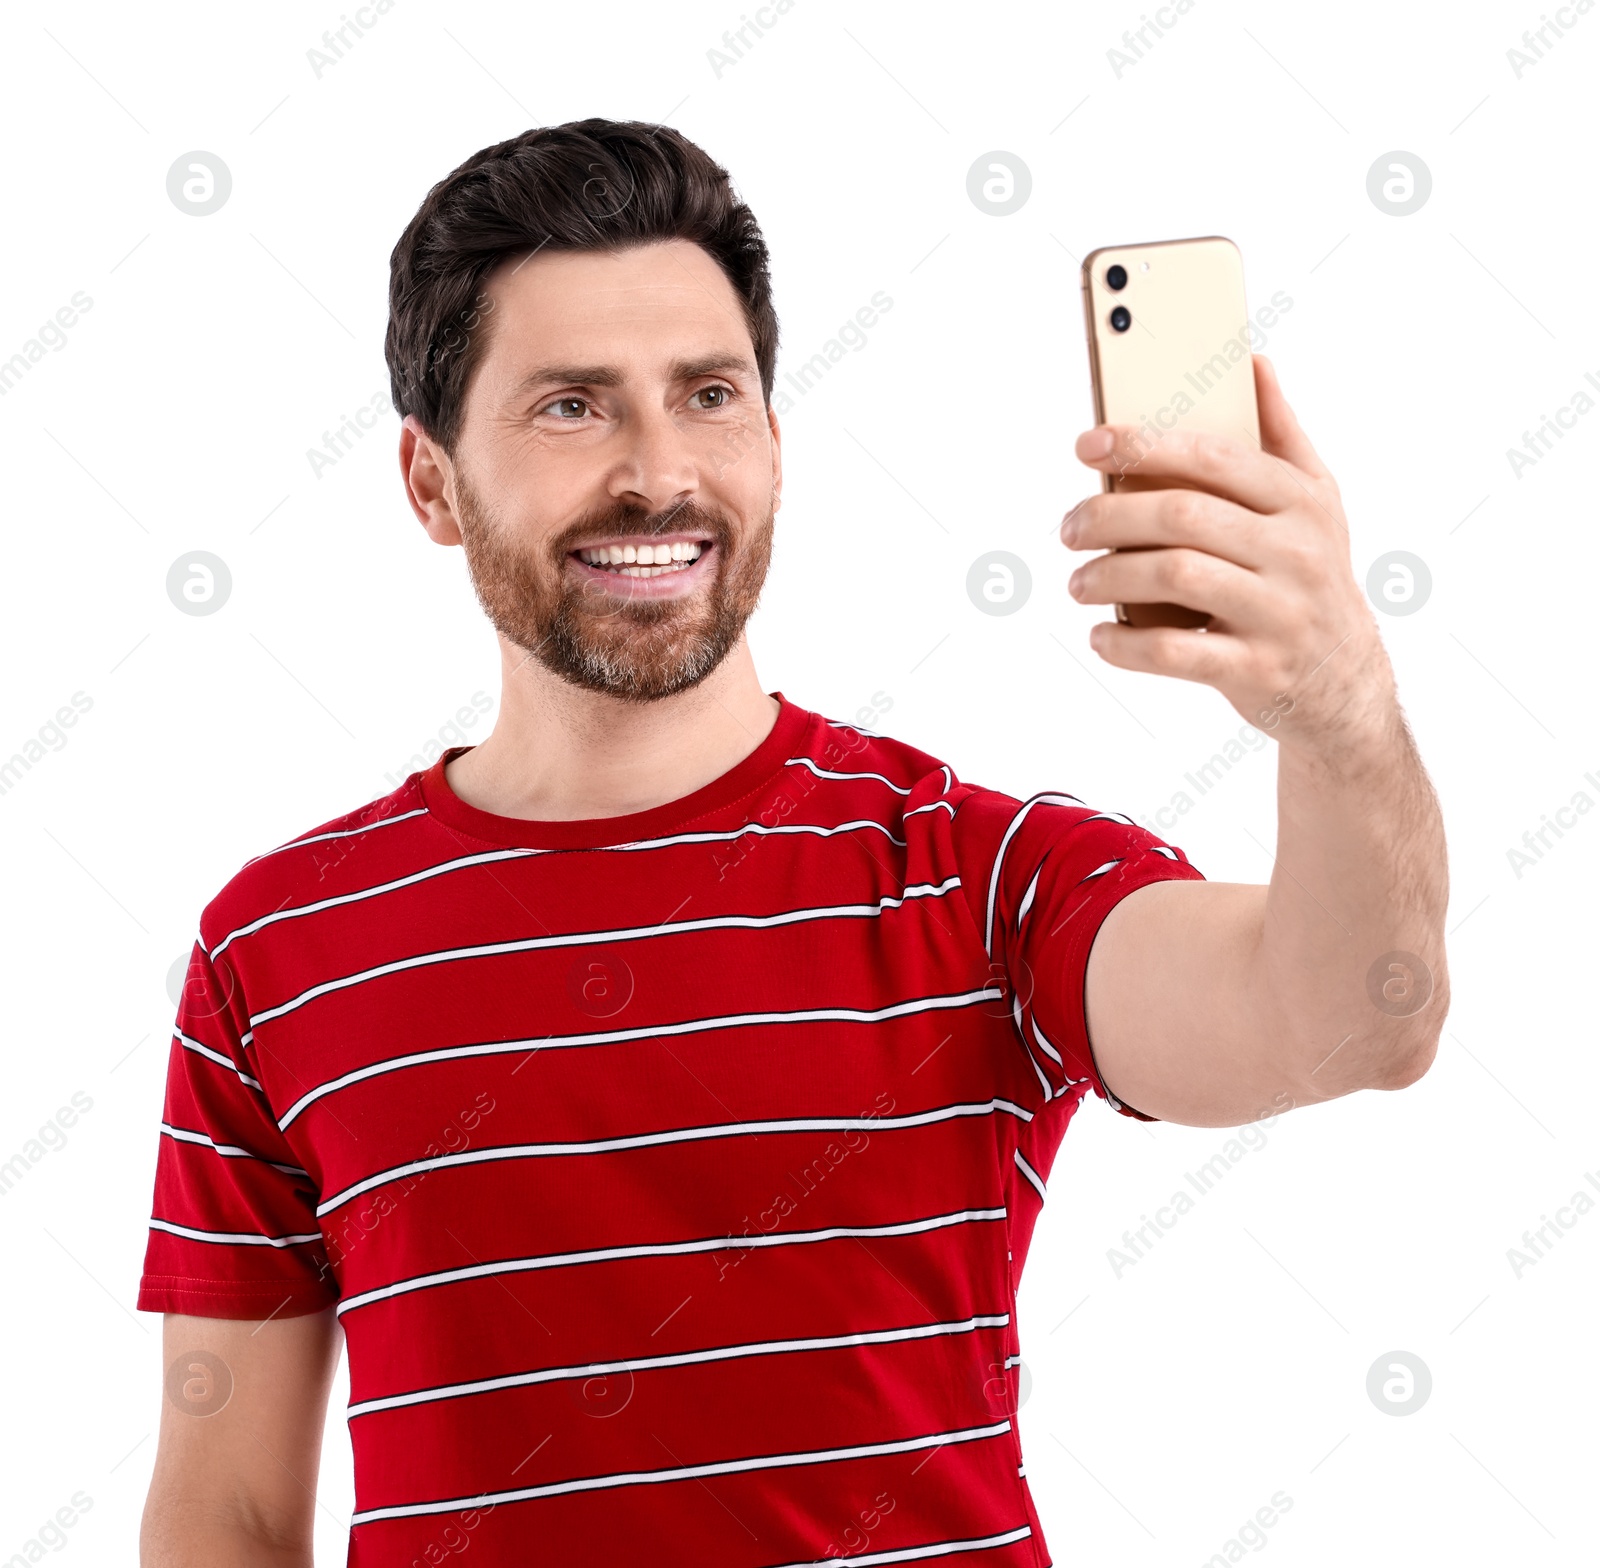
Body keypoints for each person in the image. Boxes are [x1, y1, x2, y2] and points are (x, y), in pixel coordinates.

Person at [136, 118, 1448, 1567]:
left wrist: (1341, 721)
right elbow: (231, 1512)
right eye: (573, 406)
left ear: (771, 437)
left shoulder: (977, 875)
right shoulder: (277, 944)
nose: (658, 471)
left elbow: (1346, 1023)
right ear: (431, 484)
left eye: (709, 394)